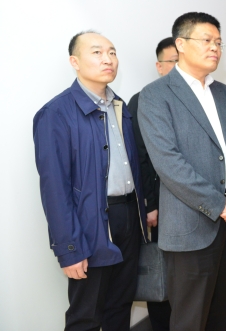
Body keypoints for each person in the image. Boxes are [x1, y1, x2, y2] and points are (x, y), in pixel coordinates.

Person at [33, 31, 148, 331]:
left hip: (127, 218)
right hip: (90, 224)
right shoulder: (55, 113)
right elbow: (55, 189)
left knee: (120, 306)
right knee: (86, 315)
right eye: (97, 52)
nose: (108, 59)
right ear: (75, 62)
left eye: (112, 52)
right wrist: (69, 248)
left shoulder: (120, 106)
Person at [138, 13, 226, 331]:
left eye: (219, 42)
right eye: (206, 40)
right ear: (180, 44)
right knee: (190, 320)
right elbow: (168, 163)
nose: (215, 48)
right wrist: (219, 204)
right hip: (190, 226)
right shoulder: (156, 95)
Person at [127, 37, 177, 331]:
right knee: (162, 271)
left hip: (194, 205)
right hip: (161, 203)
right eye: (173, 61)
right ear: (159, 67)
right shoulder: (143, 100)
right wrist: (151, 204)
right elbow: (140, 157)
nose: (179, 66)